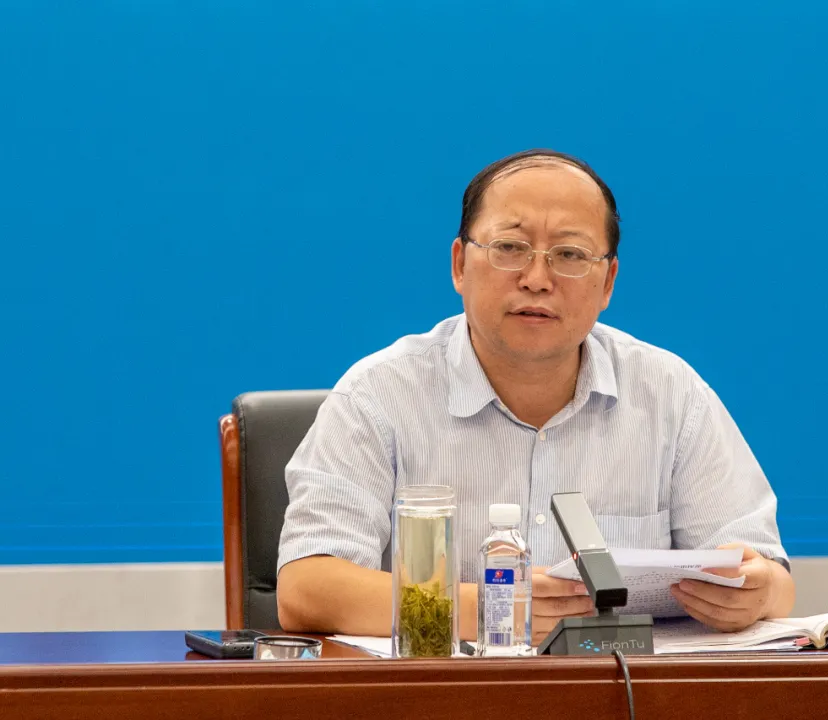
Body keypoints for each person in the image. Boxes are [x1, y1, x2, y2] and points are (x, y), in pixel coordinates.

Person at [276, 149, 794, 645]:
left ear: (608, 282)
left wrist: (758, 592)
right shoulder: (379, 395)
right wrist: (491, 606)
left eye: (570, 255)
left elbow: (771, 579)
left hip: (620, 694)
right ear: (459, 265)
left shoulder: (671, 394)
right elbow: (306, 589)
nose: (537, 279)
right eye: (510, 248)